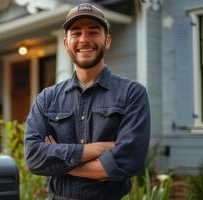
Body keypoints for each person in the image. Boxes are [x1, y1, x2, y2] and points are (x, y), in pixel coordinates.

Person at [24, 3, 151, 200]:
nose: (84, 39)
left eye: (93, 32)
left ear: (107, 40)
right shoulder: (47, 99)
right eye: (76, 33)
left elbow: (128, 161)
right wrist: (98, 149)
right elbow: (33, 157)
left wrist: (59, 164)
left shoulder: (132, 94)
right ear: (66, 43)